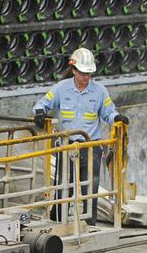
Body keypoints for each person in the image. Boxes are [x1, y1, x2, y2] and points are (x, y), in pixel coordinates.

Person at [33, 47, 129, 222]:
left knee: (90, 189)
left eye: (89, 74)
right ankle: (58, 220)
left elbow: (108, 112)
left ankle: (89, 224)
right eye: (83, 73)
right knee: (63, 186)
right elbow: (43, 103)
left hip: (91, 147)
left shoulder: (99, 91)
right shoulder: (61, 89)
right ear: (73, 70)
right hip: (66, 146)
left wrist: (117, 118)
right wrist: (39, 112)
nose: (87, 78)